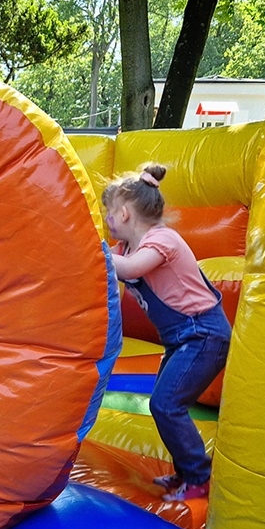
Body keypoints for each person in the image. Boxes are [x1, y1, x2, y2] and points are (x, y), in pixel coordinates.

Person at [102, 164, 231, 502]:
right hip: (181, 338)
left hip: (204, 333)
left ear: (125, 213)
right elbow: (104, 271)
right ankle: (188, 471)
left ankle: (200, 477)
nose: (107, 219)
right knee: (166, 404)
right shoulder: (124, 249)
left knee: (166, 404)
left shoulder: (162, 240)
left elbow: (128, 270)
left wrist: (95, 250)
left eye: (109, 212)